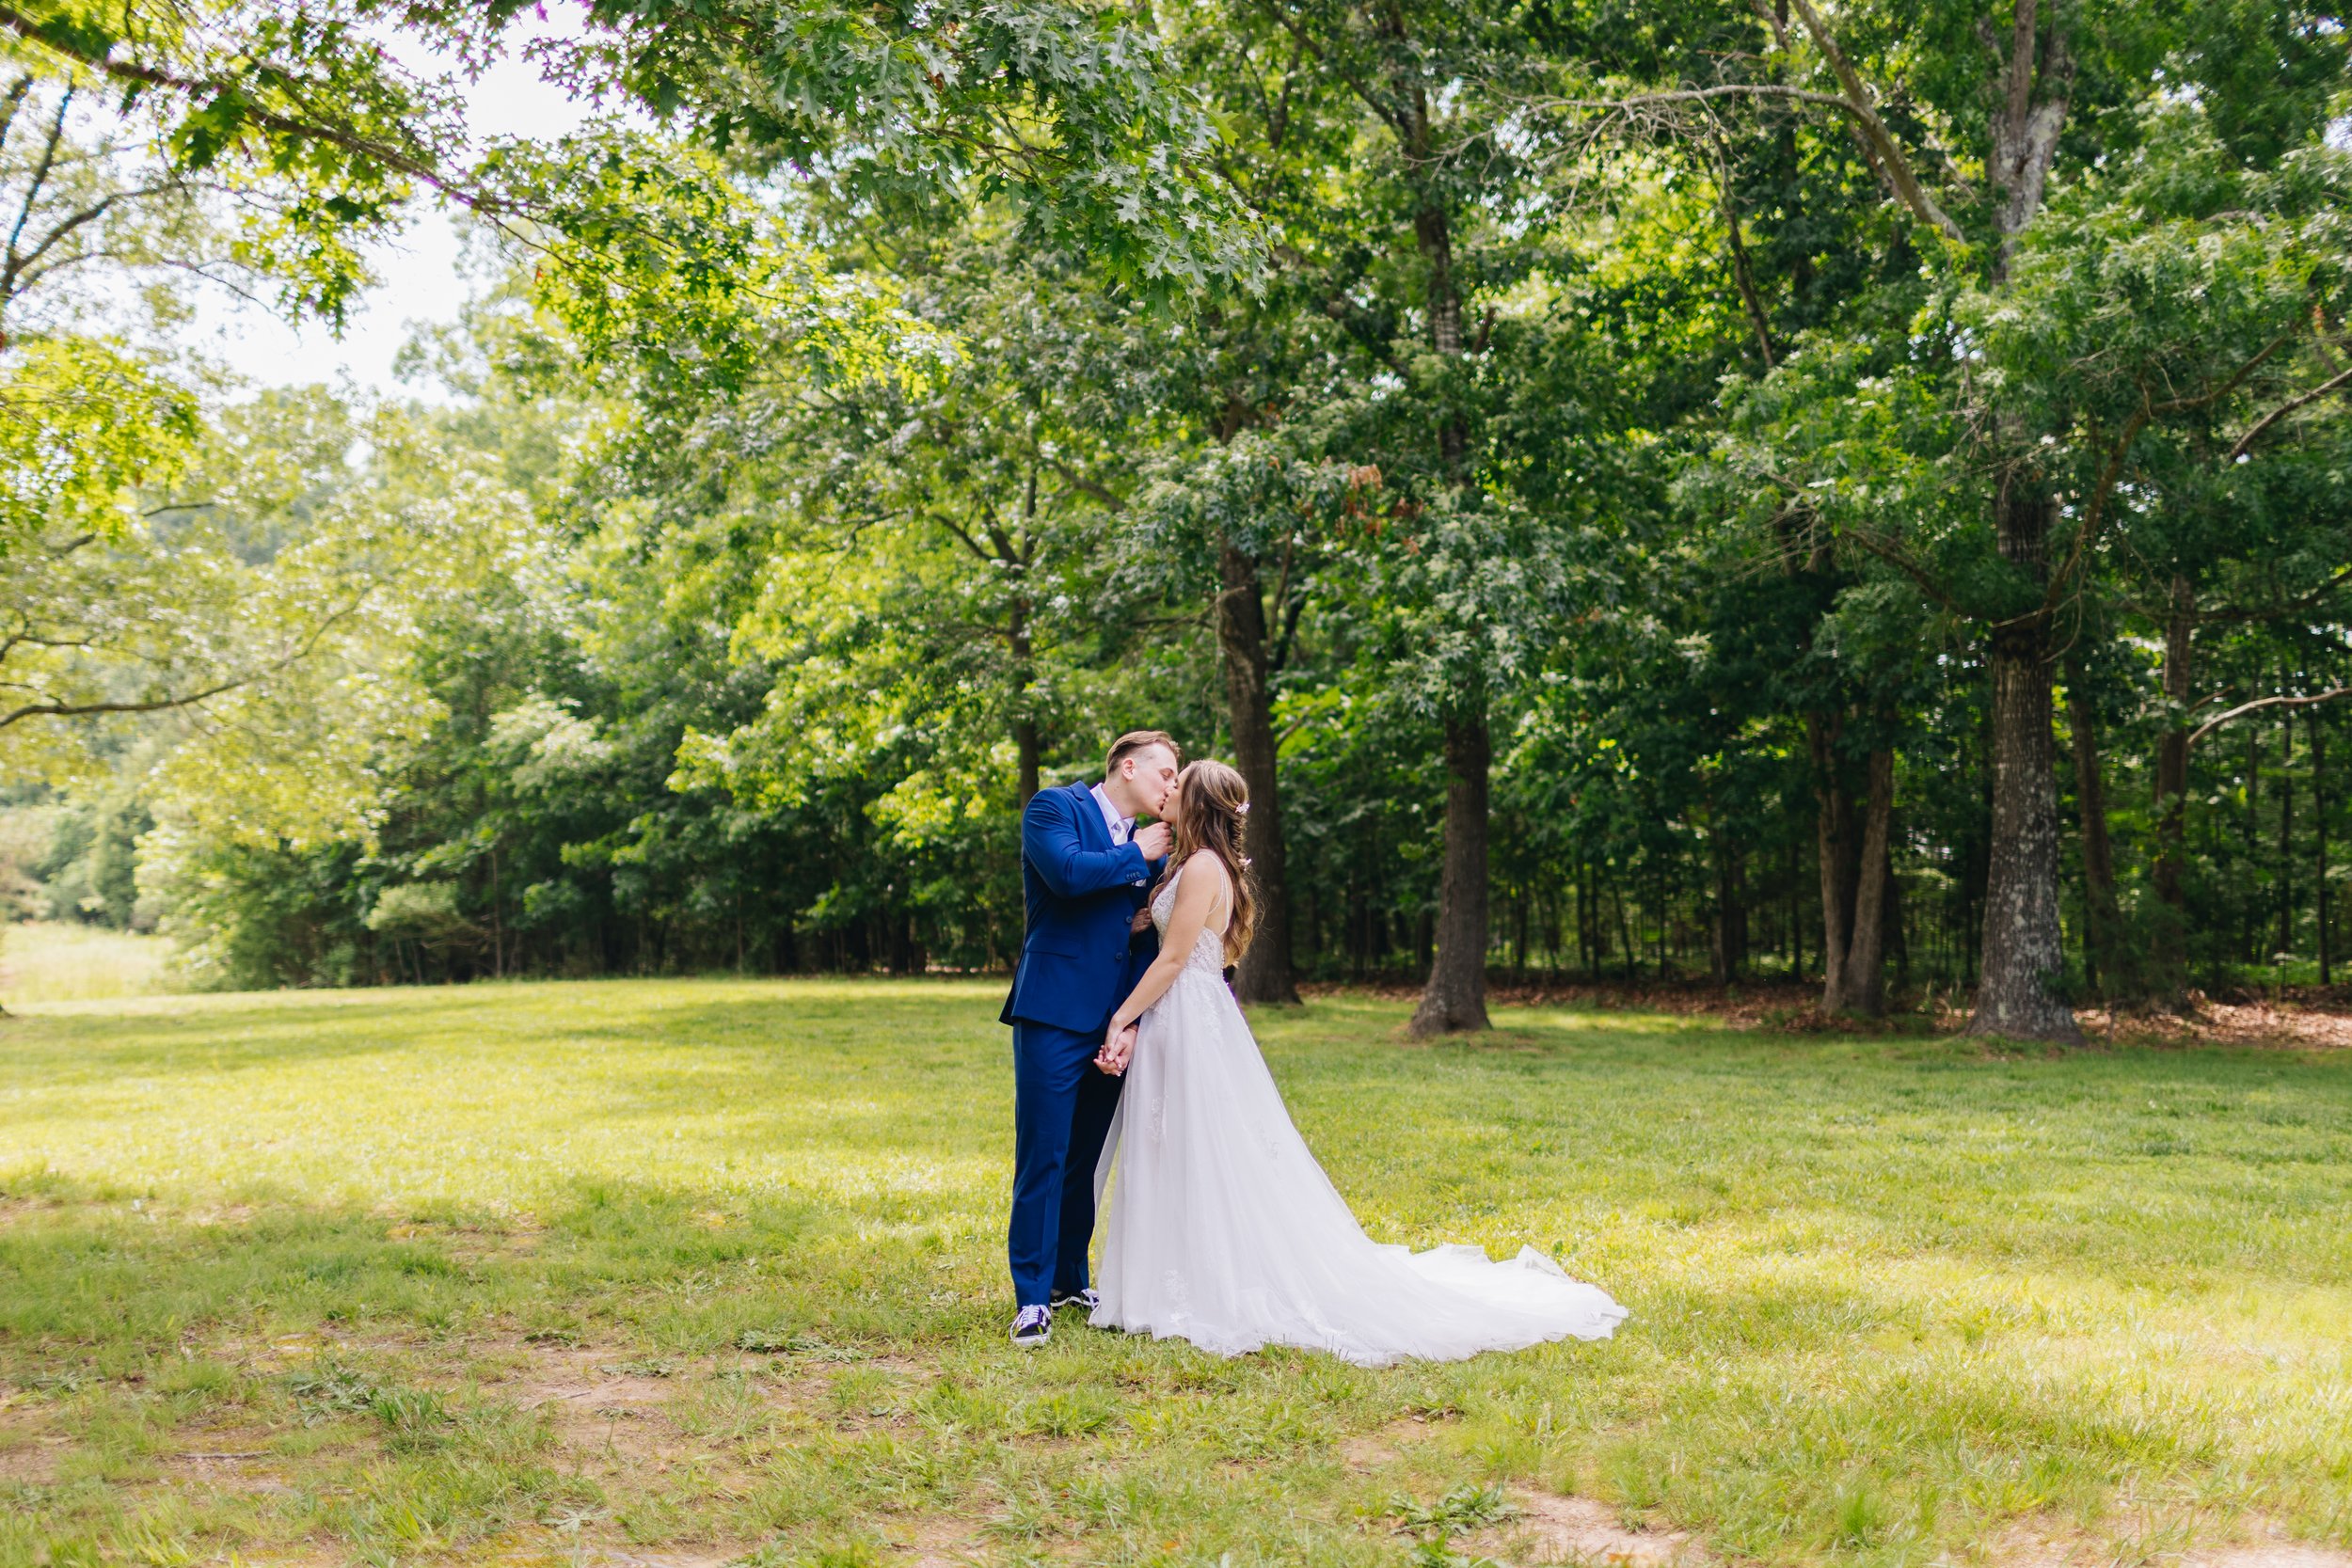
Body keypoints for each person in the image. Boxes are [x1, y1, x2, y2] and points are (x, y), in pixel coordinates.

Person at [1088, 760, 1629, 1366]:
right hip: (1184, 1015)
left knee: (1201, 1146)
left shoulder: (1204, 868)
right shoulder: (1192, 865)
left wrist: (1120, 1018)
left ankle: (1200, 1286)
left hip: (1186, 1014)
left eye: (1178, 783)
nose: (1169, 788)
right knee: (1176, 1144)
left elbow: (1172, 960)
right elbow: (1158, 934)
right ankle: (1165, 1279)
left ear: (1198, 803)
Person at [999, 730, 1181, 1347]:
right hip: (1051, 1010)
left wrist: (1126, 1022)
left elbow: (1141, 938)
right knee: (1044, 1153)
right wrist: (1140, 854)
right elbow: (1070, 874)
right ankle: (1031, 1296)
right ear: (1127, 766)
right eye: (1164, 772)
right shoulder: (1054, 808)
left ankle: (1071, 1279)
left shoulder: (1153, 847)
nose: (1169, 786)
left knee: (1086, 1158)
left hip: (1110, 1020)